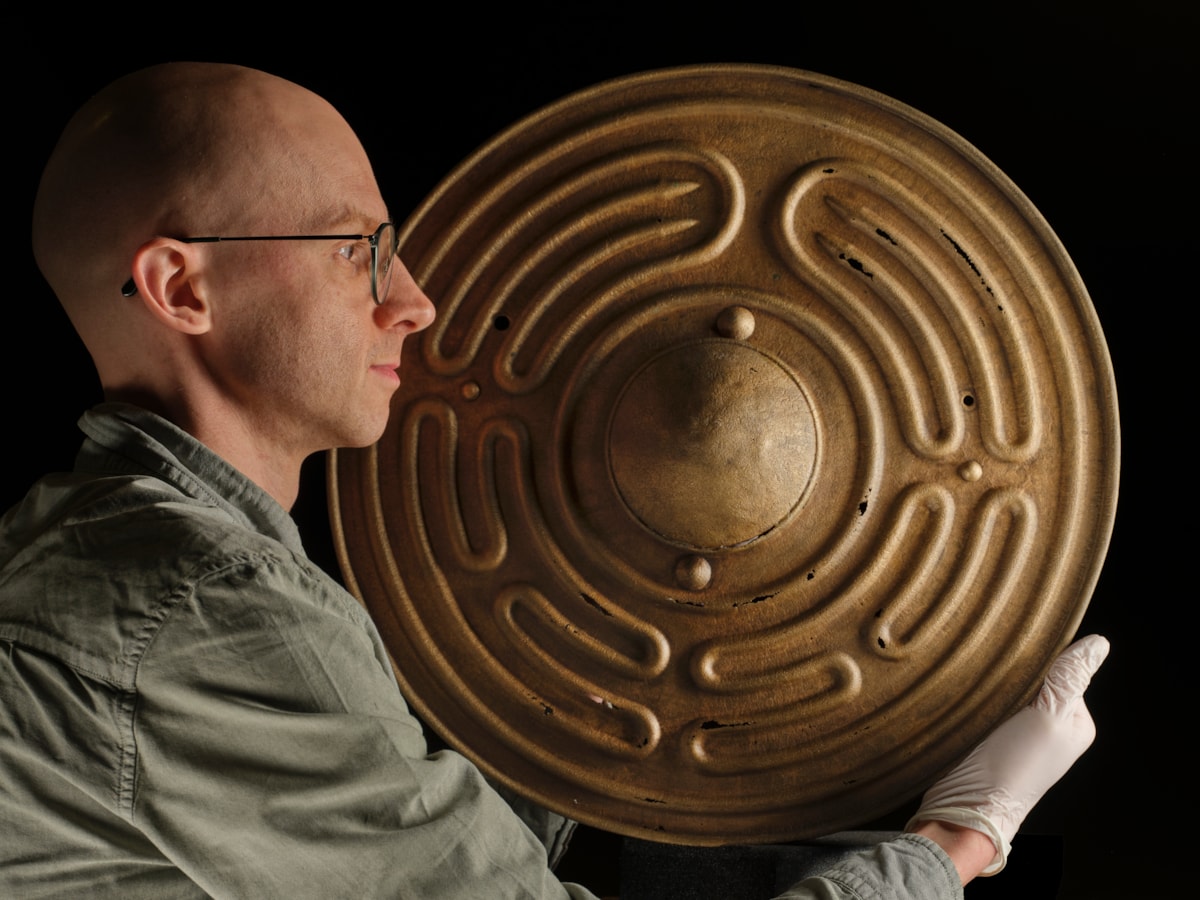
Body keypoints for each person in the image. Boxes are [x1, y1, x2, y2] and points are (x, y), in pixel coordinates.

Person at [0, 62, 1106, 899]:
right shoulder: (195, 611)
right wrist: (955, 847)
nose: (413, 302)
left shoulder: (112, 554)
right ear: (181, 289)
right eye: (355, 251)